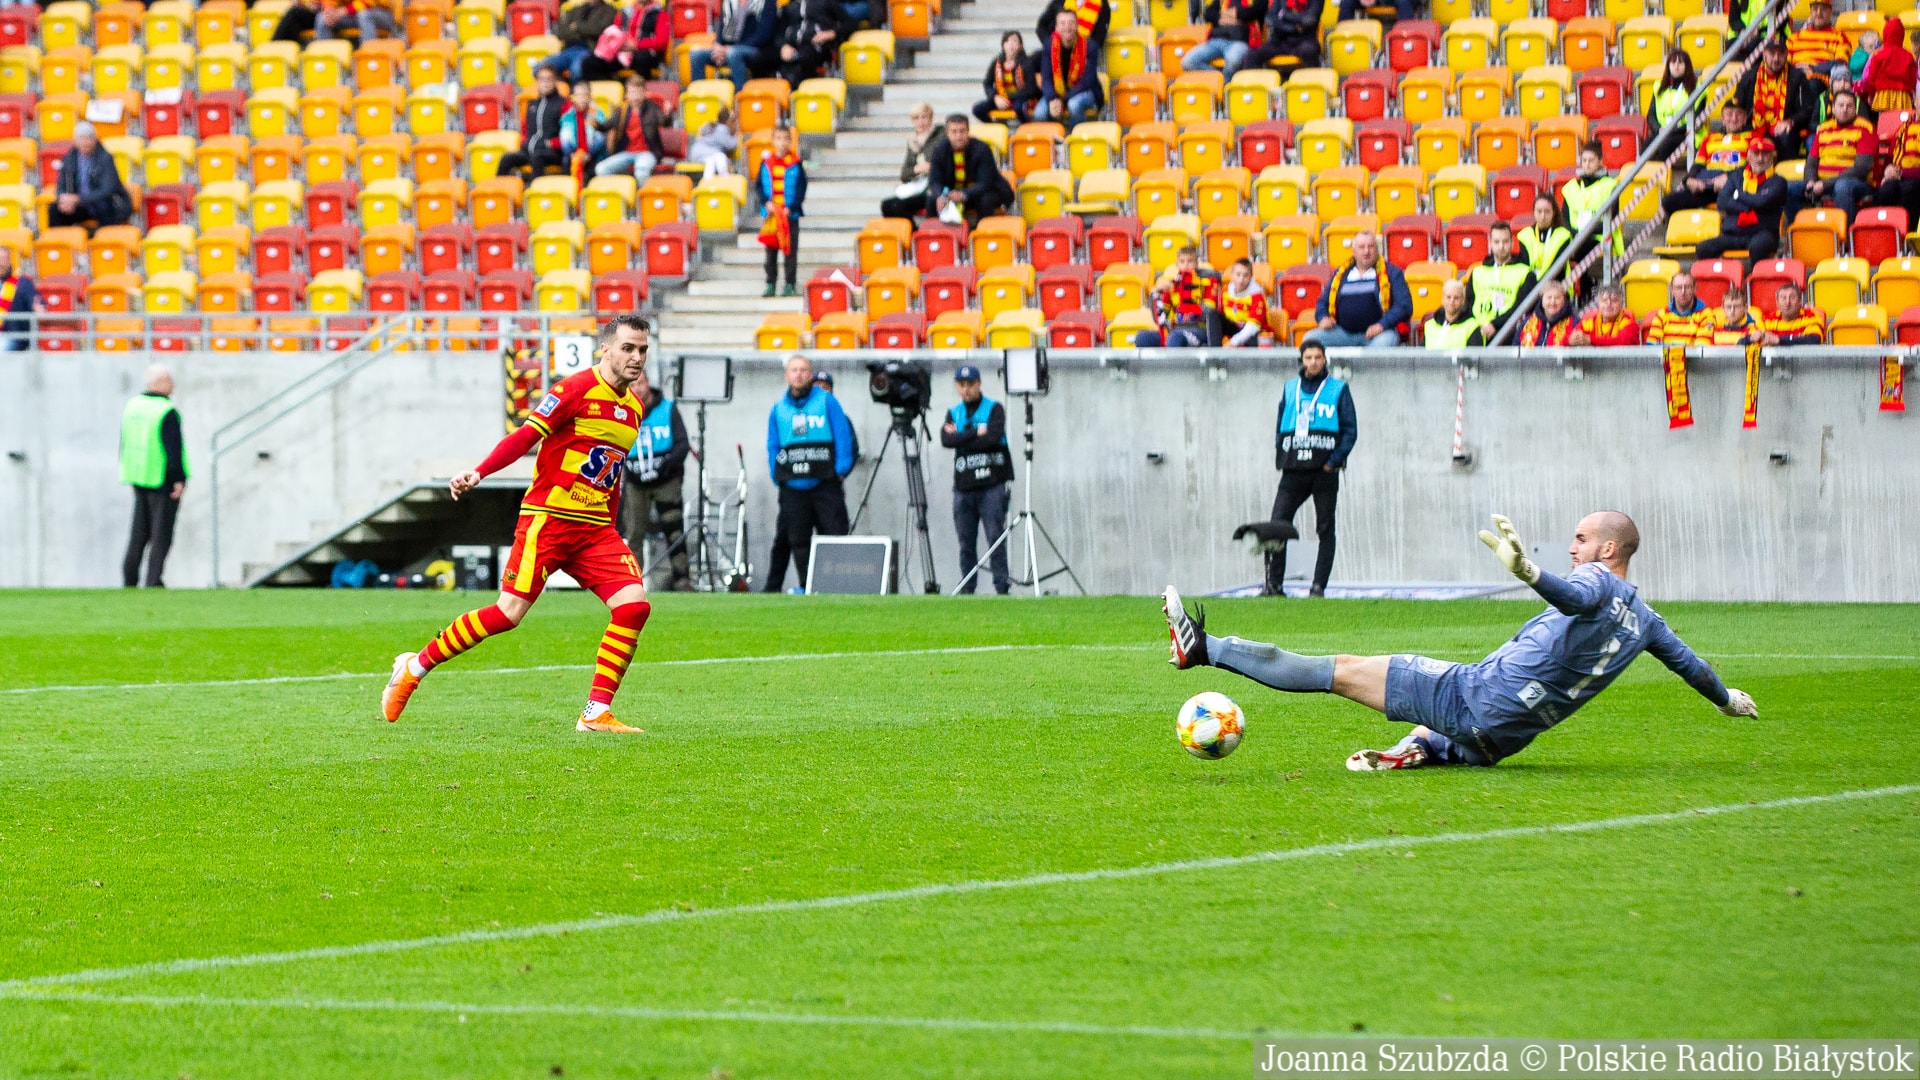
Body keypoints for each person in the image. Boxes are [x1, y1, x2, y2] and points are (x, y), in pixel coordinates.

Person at [1162, 511, 1760, 770]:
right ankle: (1425, 748)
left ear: (1608, 550)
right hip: (1503, 740)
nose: (1572, 547)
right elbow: (1693, 667)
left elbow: (1576, 597)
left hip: (1474, 697)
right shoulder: (1648, 622)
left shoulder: (1593, 580)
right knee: (1449, 722)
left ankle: (1204, 648)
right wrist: (1726, 698)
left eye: (1580, 539)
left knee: (1335, 669)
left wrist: (1530, 572)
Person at [381, 314, 658, 734]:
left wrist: (613, 525)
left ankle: (595, 712)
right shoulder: (574, 390)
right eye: (628, 348)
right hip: (548, 521)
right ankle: (414, 666)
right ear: (606, 348)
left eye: (642, 350)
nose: (636, 357)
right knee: (508, 614)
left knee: (634, 605)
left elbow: (612, 475)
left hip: (595, 529)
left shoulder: (633, 408)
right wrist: (479, 472)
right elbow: (525, 437)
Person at [1265, 341, 1354, 598]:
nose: (1313, 362)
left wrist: (1334, 461)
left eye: (1318, 357)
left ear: (1325, 360)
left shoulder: (1338, 389)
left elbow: (1350, 430)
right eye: (1308, 357)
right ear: (1301, 360)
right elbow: (1281, 424)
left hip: (1323, 471)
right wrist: (1281, 453)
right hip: (1294, 469)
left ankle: (1318, 587)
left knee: (1325, 528)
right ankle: (1274, 585)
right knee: (1277, 525)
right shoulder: (1290, 388)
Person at [764, 354, 855, 593]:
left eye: (804, 369)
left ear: (810, 374)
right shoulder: (778, 409)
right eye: (794, 370)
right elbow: (773, 444)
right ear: (787, 375)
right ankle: (809, 586)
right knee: (799, 541)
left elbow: (842, 435)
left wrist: (840, 470)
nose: (799, 374)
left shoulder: (827, 401)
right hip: (792, 486)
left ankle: (837, 587)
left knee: (834, 536)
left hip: (825, 483)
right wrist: (776, 474)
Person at [619, 364, 692, 593]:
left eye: (640, 383)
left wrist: (665, 466)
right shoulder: (621, 412)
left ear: (647, 383)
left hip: (666, 481)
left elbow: (682, 444)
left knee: (675, 531)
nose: (637, 389)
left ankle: (682, 580)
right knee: (634, 534)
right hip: (635, 483)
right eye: (632, 385)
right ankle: (632, 584)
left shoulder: (668, 409)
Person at [942, 365, 1014, 596]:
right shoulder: (953, 412)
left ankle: (1001, 587)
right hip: (963, 487)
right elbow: (946, 440)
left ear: (979, 384)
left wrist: (961, 436)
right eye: (961, 385)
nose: (966, 389)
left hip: (991, 484)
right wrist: (975, 433)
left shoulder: (994, 409)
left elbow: (992, 438)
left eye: (970, 384)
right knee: (966, 541)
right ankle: (968, 587)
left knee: (995, 537)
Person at [120, 364, 188, 589]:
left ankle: (130, 578)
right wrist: (178, 478)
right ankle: (153, 579)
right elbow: (173, 448)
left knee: (138, 533)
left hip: (138, 475)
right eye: (169, 380)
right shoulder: (165, 410)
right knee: (161, 533)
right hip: (161, 478)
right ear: (159, 383)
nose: (173, 385)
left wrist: (128, 473)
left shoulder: (132, 406)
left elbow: (125, 441)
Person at [1305, 231, 1410, 349]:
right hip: (1344, 333)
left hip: (1381, 333)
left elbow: (1404, 305)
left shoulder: (1392, 273)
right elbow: (1322, 302)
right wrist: (1322, 318)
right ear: (1354, 251)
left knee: (1382, 346)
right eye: (1361, 247)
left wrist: (1382, 325)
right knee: (1310, 340)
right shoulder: (1341, 274)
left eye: (1371, 246)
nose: (1366, 251)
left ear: (1377, 249)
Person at [1697, 135, 1785, 262]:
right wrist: (1752, 202)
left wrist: (1738, 195)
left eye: (1765, 154)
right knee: (1703, 248)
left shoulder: (1778, 181)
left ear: (1772, 157)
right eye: (1756, 154)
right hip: (1733, 233)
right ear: (1748, 156)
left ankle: (1758, 279)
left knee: (1758, 247)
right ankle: (1721, 279)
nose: (1760, 159)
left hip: (1762, 232)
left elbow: (1761, 202)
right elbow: (1722, 201)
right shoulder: (1736, 176)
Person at [1661, 98, 1752, 217]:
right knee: (1669, 201)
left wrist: (1728, 177)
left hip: (1734, 185)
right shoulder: (1710, 138)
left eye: (1738, 114)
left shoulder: (1754, 138)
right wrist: (1689, 179)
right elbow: (1698, 164)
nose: (1734, 119)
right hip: (1707, 186)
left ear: (1745, 118)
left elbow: (1754, 166)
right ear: (1722, 119)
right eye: (1729, 114)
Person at [1734, 32, 1816, 161]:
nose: (1776, 59)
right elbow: (1738, 106)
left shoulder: (1797, 77)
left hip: (1783, 129)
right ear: (1764, 54)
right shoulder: (1750, 76)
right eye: (1772, 54)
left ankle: (1785, 177)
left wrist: (1790, 122)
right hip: (1754, 127)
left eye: (1780, 54)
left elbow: (1806, 110)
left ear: (1786, 55)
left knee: (1786, 136)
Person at [1797, 90, 1876, 221]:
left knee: (1842, 186)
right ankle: (1796, 235)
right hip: (1822, 184)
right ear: (1833, 108)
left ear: (1855, 109)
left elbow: (1861, 169)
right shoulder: (1823, 129)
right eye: (1840, 105)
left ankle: (1845, 238)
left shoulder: (1866, 129)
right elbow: (1811, 163)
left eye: (1849, 106)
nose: (1844, 110)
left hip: (1856, 183)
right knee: (1789, 188)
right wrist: (1810, 181)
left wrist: (1824, 184)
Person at [927, 113, 1013, 225]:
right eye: (954, 132)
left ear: (968, 132)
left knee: (985, 199)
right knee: (932, 200)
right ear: (947, 134)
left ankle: (982, 235)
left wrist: (962, 194)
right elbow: (934, 180)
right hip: (952, 193)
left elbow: (985, 183)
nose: (958, 136)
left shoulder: (982, 149)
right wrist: (941, 195)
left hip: (982, 192)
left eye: (962, 131)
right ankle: (936, 236)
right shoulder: (939, 150)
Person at [1561, 143, 1621, 294]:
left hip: (1600, 236)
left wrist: (1585, 233)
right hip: (1575, 236)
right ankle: (1581, 287)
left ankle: (1585, 286)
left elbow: (1612, 219)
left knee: (1578, 249)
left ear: (1601, 161)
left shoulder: (1610, 185)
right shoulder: (1570, 188)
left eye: (1591, 160)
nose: (1587, 164)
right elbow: (1564, 220)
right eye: (1584, 160)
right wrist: (1576, 234)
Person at [49, 123, 132, 231]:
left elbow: (107, 190)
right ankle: (61, 243)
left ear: (95, 139)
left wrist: (78, 199)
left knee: (104, 208)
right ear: (75, 141)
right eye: (82, 138)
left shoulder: (105, 158)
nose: (85, 142)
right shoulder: (69, 158)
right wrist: (64, 199)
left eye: (89, 138)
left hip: (105, 203)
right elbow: (61, 184)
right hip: (81, 204)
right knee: (54, 209)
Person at [1462, 220, 1537, 340]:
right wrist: (1478, 327)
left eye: (1505, 241)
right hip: (1478, 332)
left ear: (1512, 243)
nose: (1501, 246)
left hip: (1509, 333)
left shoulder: (1526, 273)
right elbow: (1468, 305)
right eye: (1496, 242)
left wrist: (1495, 324)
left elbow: (1521, 307)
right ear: (1490, 243)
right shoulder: (1477, 272)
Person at [1136, 244, 1221, 347]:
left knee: (1175, 337)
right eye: (1182, 261)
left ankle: (1171, 364)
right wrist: (1156, 294)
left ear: (1196, 263)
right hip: (1175, 329)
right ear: (1177, 264)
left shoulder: (1208, 282)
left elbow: (1209, 312)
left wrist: (1187, 300)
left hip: (1200, 330)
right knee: (1142, 337)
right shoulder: (1172, 285)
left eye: (1190, 261)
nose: (1186, 265)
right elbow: (1161, 317)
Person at [756, 125, 806, 297]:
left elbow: (801, 189)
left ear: (791, 141)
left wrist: (791, 207)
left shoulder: (796, 164)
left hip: (789, 217)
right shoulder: (766, 163)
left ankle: (790, 284)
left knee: (790, 251)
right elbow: (759, 186)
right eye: (778, 138)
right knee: (771, 252)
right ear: (772, 141)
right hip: (771, 217)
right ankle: (770, 283)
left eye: (786, 139)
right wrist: (766, 203)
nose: (782, 142)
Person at [690, 0, 781, 92]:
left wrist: (730, 49)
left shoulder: (766, 2)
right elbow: (722, 30)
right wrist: (717, 46)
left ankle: (740, 97)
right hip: (729, 49)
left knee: (733, 54)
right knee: (696, 55)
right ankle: (698, 97)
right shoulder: (729, 2)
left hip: (758, 49)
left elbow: (764, 34)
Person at [496, 67, 568, 181]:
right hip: (529, 150)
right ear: (537, 82)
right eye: (542, 80)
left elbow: (569, 132)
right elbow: (526, 129)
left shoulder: (563, 104)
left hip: (552, 152)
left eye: (549, 79)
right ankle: (501, 191)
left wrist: (553, 143)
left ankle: (535, 193)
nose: (545, 83)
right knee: (507, 159)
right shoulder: (532, 104)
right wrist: (525, 142)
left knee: (537, 157)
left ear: (555, 81)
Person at [1039, 8, 1103, 126]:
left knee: (1073, 105)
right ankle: (1051, 141)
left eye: (1071, 23)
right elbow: (1046, 77)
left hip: (1084, 91)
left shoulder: (1090, 46)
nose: (1067, 27)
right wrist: (1053, 98)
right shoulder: (1049, 45)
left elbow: (1088, 80)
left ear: (1077, 26)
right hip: (1057, 92)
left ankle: (1076, 138)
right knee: (1039, 113)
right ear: (1056, 27)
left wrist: (1063, 98)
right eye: (1062, 23)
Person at [596, 76, 668, 177]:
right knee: (601, 169)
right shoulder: (622, 110)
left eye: (639, 92)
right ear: (627, 95)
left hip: (647, 152)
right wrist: (594, 122)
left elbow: (664, 122)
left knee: (641, 171)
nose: (636, 96)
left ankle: (641, 193)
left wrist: (667, 114)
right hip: (626, 153)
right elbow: (605, 127)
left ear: (645, 93)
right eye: (633, 92)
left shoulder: (652, 107)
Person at [586, 0, 669, 81]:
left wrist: (636, 45)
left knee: (642, 59)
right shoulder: (625, 11)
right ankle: (610, 88)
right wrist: (617, 45)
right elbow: (614, 32)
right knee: (591, 63)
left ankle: (638, 92)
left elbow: (661, 42)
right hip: (622, 51)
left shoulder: (660, 13)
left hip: (645, 53)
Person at [1181, 0, 1267, 79]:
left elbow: (1256, 11)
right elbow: (1208, 14)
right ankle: (1221, 80)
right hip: (1216, 40)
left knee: (1233, 61)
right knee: (1188, 62)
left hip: (1240, 41)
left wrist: (1229, 14)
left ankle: (1223, 86)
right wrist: (1234, 17)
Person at [883, 103, 940, 219]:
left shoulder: (940, 135)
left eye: (924, 117)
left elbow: (933, 162)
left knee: (898, 206)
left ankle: (917, 235)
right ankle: (911, 232)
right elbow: (904, 175)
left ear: (930, 119)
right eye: (916, 118)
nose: (920, 122)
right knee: (887, 205)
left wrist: (923, 145)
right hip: (917, 187)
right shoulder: (912, 142)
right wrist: (917, 169)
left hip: (932, 189)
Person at [540, 0, 620, 82]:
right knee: (539, 68)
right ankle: (562, 86)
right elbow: (561, 32)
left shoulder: (609, 10)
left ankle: (576, 92)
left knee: (576, 71)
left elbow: (598, 29)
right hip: (567, 50)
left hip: (587, 50)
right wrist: (585, 30)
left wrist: (577, 26)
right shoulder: (576, 9)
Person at [776, 0, 849, 90]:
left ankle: (807, 91)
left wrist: (832, 33)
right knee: (769, 58)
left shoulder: (827, 2)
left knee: (804, 57)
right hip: (792, 46)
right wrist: (783, 45)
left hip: (816, 46)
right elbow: (779, 34)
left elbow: (850, 24)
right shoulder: (788, 7)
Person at [975, 33, 1040, 123]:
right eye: (1007, 41)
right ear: (1003, 45)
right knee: (978, 109)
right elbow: (987, 83)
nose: (1011, 44)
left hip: (1020, 98)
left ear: (1020, 45)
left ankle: (1025, 130)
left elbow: (1030, 89)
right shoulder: (996, 62)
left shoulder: (1027, 63)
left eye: (1014, 41)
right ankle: (995, 128)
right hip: (1000, 97)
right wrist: (995, 97)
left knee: (1019, 108)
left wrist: (1008, 98)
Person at [1856, 17, 1915, 116]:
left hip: (1883, 96)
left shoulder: (1878, 54)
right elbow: (1912, 78)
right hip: (1903, 96)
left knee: (1884, 123)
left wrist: (1871, 94)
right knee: (1901, 122)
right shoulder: (1908, 55)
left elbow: (1872, 77)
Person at [1648, 49, 1699, 161]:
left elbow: (1698, 117)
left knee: (1667, 145)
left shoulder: (1697, 88)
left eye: (1680, 63)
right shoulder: (1659, 87)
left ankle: (1661, 176)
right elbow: (1650, 115)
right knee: (1647, 145)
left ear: (1687, 66)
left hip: (1685, 133)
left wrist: (1671, 131)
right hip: (1662, 131)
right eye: (1673, 63)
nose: (1676, 66)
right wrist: (1659, 129)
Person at [1245, 0, 1325, 70]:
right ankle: (1257, 86)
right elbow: (1270, 18)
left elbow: (1309, 19)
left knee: (1309, 51)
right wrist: (1294, 27)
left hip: (1304, 39)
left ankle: (1310, 86)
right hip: (1280, 40)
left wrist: (1284, 15)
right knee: (1253, 55)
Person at [558, 78, 606, 186]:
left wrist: (588, 154)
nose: (582, 98)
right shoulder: (568, 116)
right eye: (578, 95)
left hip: (593, 155)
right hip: (573, 155)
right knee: (567, 171)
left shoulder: (597, 114)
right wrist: (572, 153)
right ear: (573, 97)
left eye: (585, 95)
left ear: (590, 96)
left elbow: (601, 137)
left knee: (592, 173)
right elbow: (564, 137)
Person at [1788, 0, 1851, 82]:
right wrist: (1798, 71)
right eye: (1815, 9)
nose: (1819, 13)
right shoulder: (1795, 37)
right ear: (1810, 11)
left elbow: (1841, 62)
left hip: (1821, 80)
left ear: (1830, 12)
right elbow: (1785, 62)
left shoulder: (1840, 37)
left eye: (1823, 9)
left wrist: (1813, 68)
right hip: (1795, 78)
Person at [1644, 269, 1713, 343]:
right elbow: (1652, 345)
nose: (1683, 292)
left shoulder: (1706, 315)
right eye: (1678, 287)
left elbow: (1701, 348)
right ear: (1672, 290)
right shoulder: (1661, 315)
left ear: (1694, 289)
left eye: (1687, 287)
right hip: (1667, 355)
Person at [1875, 109, 1920, 221]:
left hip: (1913, 177)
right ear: (1915, 103)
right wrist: (1887, 170)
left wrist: (1901, 173)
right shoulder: (1904, 128)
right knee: (1886, 190)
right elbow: (1890, 156)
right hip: (1900, 175)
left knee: (1908, 188)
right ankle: (1885, 229)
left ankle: (1909, 232)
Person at [1515, 194, 1572, 281]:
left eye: (1547, 211)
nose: (1543, 216)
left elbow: (1557, 269)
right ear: (1533, 212)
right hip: (1532, 284)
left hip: (1556, 285)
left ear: (1554, 212)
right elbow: (1524, 267)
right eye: (1539, 211)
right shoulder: (1525, 235)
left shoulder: (1563, 235)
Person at [1218, 258, 1272, 347]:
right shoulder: (1225, 292)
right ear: (1232, 275)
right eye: (1238, 274)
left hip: (1253, 331)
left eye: (1245, 275)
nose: (1241, 279)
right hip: (1234, 328)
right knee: (1213, 315)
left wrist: (1232, 342)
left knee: (1254, 338)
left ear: (1251, 277)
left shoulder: (1257, 297)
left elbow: (1252, 327)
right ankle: (1215, 354)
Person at [1569, 284, 1641, 346]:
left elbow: (1622, 341)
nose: (1608, 304)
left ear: (1622, 304)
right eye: (1604, 300)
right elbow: (1566, 339)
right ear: (1599, 304)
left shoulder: (1629, 322)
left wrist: (1590, 339)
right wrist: (1570, 340)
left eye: (1614, 300)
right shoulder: (1589, 321)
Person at [1423, 279, 1487, 347]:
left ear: (1463, 300)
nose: (1452, 301)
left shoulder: (1472, 327)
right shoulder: (1429, 325)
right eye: (1448, 297)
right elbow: (1419, 355)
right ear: (1443, 299)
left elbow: (1475, 356)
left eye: (1456, 298)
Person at [1759, 282, 1827, 344]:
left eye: (1792, 298)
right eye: (1783, 298)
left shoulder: (1810, 316)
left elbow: (1814, 339)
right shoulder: (1768, 319)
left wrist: (1778, 340)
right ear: (1777, 303)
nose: (1787, 302)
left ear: (1800, 301)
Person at [0, 246, 39, 352]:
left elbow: (36, 302)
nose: (1, 264)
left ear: (10, 261)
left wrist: (39, 308)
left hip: (11, 335)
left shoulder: (22, 283)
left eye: (4, 259)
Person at [1516, 280, 1576, 346]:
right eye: (1549, 297)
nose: (1552, 302)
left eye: (1557, 298)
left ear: (1564, 300)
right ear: (1542, 300)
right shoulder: (1527, 322)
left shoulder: (1575, 324)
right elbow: (1515, 348)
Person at [1035, 0, 1109, 53]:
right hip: (1056, 51)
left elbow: (1099, 38)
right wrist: (1050, 45)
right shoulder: (1059, 1)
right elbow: (1042, 26)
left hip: (1084, 55)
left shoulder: (1102, 3)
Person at [685, 107, 740, 178]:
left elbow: (701, 131)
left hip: (696, 153)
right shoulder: (722, 129)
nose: (735, 124)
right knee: (721, 157)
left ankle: (707, 184)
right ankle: (725, 181)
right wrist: (736, 136)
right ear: (727, 121)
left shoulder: (713, 126)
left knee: (711, 162)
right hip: (706, 152)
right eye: (733, 121)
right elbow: (730, 145)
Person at [316, 0, 398, 41]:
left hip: (381, 13)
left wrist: (344, 11)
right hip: (351, 15)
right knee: (322, 17)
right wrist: (329, 9)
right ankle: (326, 62)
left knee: (364, 15)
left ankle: (368, 58)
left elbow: (368, 3)